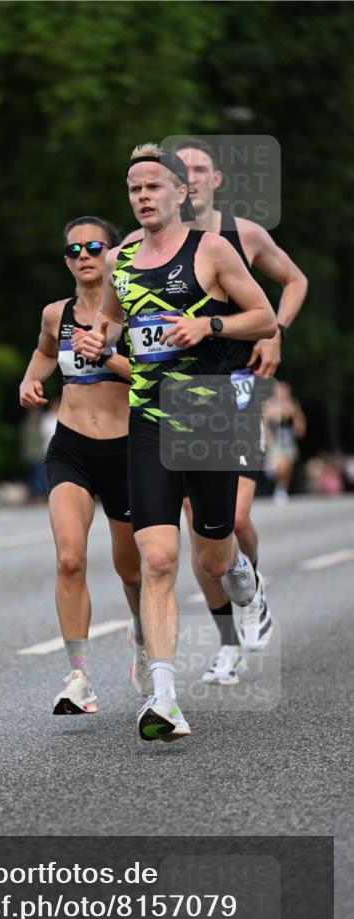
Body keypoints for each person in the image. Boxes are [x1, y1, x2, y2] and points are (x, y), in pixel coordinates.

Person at [74, 145, 276, 741]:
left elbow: (263, 318)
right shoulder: (120, 259)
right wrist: (99, 340)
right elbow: (112, 319)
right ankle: (164, 699)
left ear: (180, 193)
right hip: (149, 419)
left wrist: (209, 324)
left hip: (208, 413)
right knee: (158, 558)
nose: (143, 196)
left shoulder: (211, 250)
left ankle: (239, 568)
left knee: (212, 556)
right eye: (134, 188)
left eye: (154, 186)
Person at [170, 139, 308, 678]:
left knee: (235, 518)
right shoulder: (151, 245)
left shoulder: (243, 234)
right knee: (202, 534)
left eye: (199, 168)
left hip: (240, 389)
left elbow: (294, 280)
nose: (190, 176)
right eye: (180, 169)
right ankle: (227, 641)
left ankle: (252, 588)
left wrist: (277, 332)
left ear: (216, 179)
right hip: (179, 397)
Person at [19, 215, 147, 715]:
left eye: (95, 247)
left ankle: (143, 634)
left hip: (127, 449)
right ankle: (79, 677)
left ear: (113, 255)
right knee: (69, 558)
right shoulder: (57, 313)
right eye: (74, 250)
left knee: (131, 571)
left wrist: (108, 355)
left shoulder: (135, 313)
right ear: (66, 261)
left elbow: (155, 377)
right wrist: (30, 380)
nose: (85, 256)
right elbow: (44, 352)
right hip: (71, 447)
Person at [263, 381, 306, 504]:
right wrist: (267, 438)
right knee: (280, 465)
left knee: (287, 465)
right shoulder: (268, 405)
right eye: (280, 391)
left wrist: (295, 414)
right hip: (274, 442)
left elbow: (300, 428)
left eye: (285, 391)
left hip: (288, 442)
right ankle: (273, 472)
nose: (283, 394)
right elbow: (263, 425)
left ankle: (281, 489)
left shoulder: (293, 406)